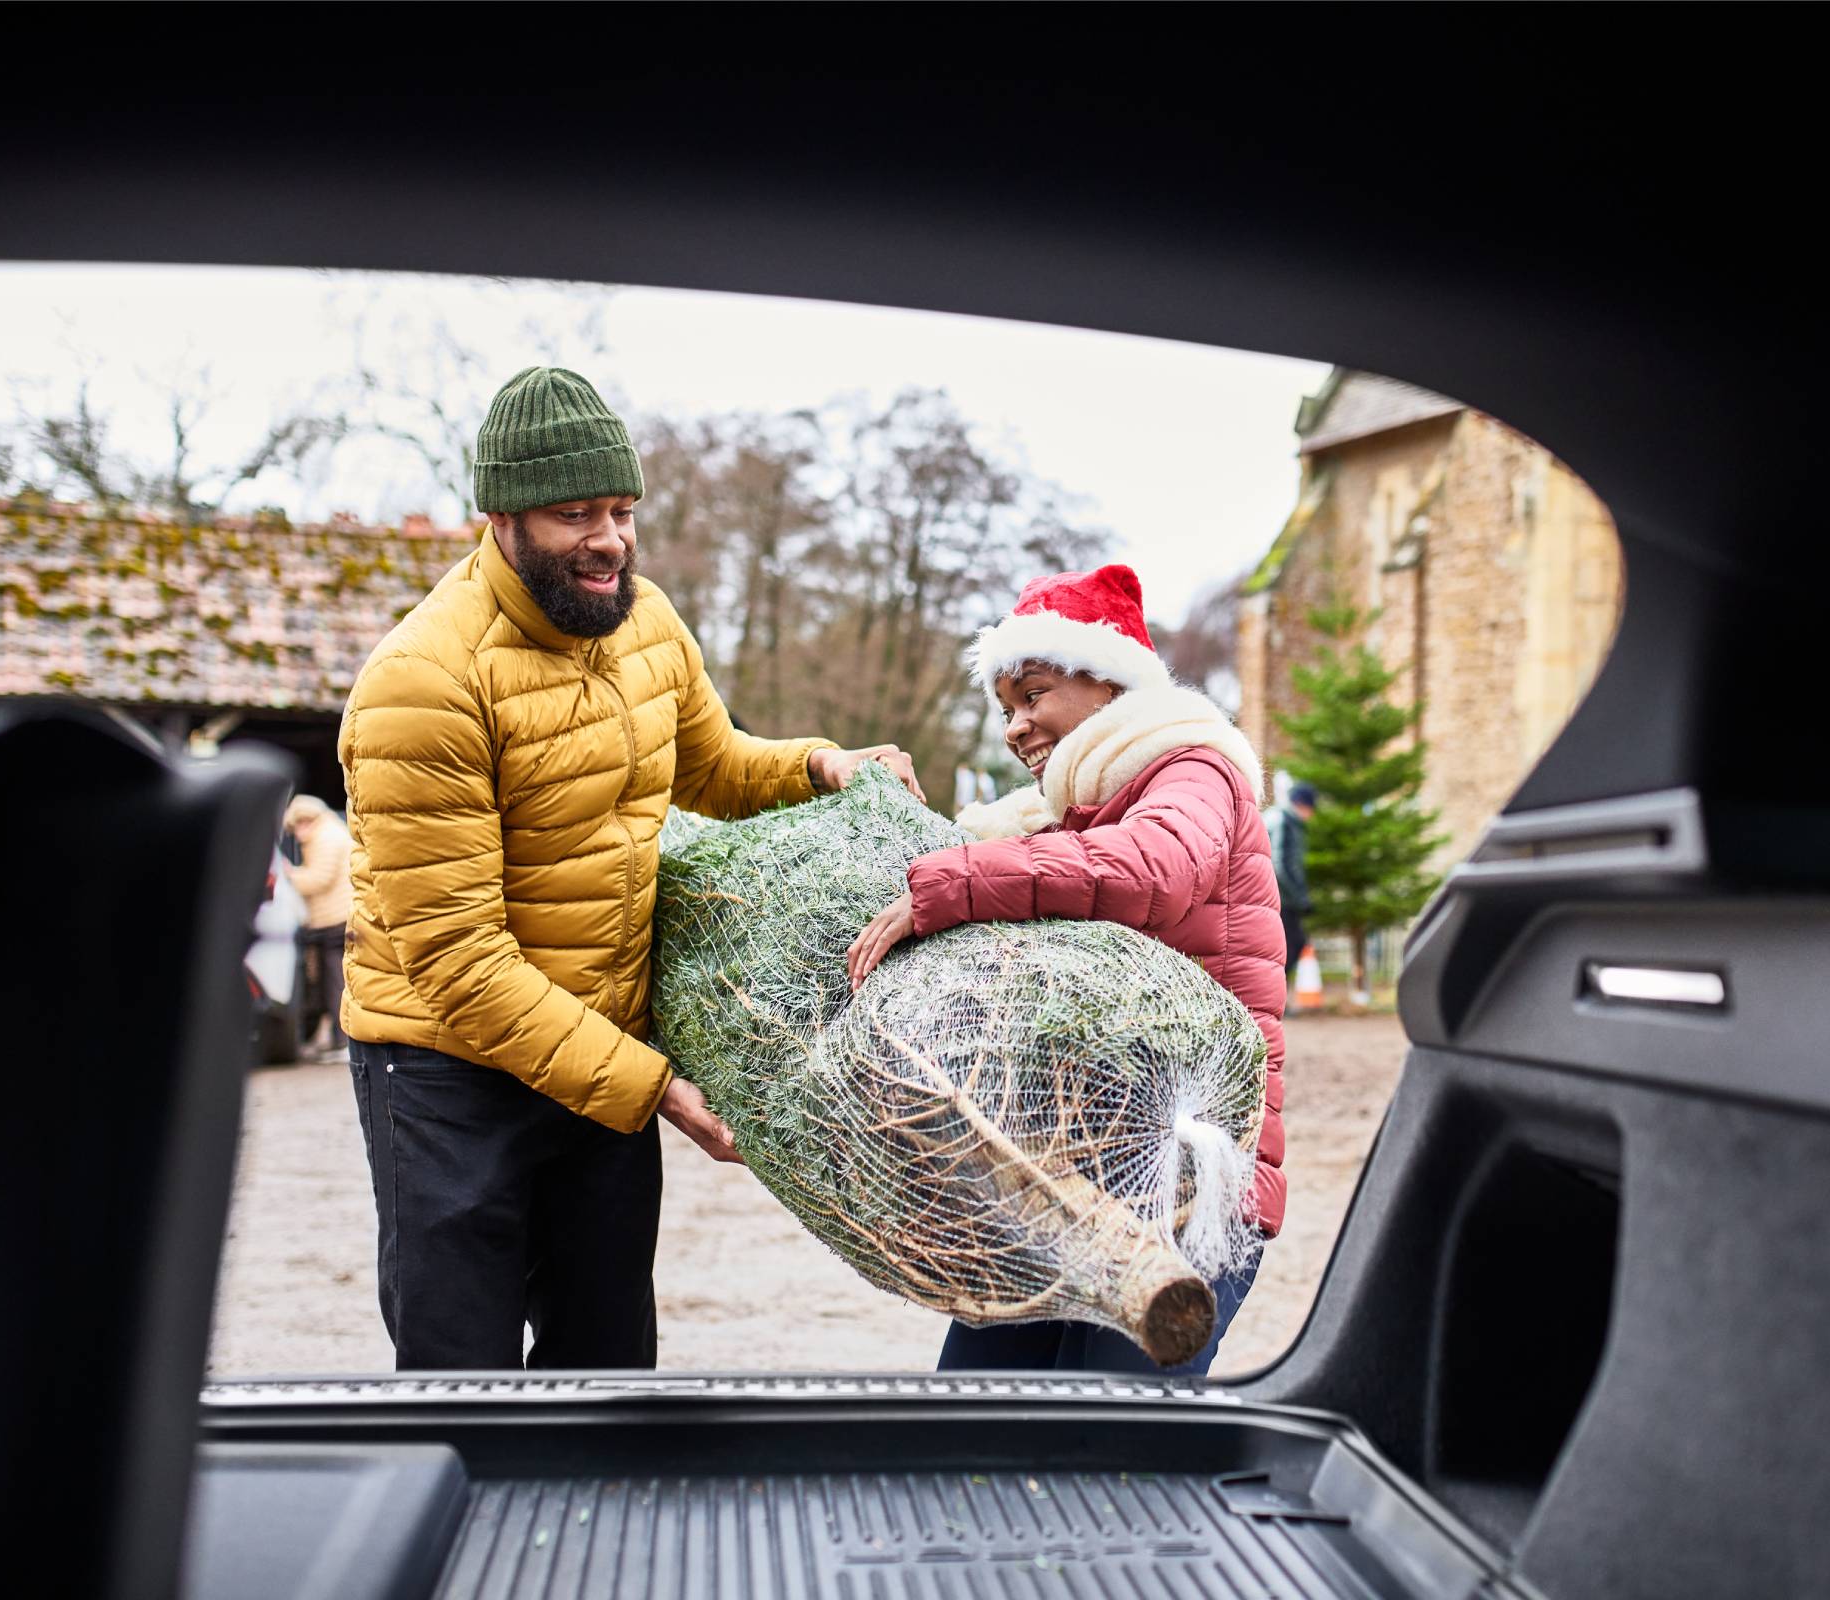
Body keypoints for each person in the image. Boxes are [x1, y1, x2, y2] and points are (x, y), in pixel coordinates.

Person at [337, 366, 922, 1371]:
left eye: (620, 509)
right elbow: (461, 964)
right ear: (499, 517)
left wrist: (822, 763)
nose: (608, 539)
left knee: (605, 1363)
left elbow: (716, 767)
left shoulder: (645, 622)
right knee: (459, 1372)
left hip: (599, 1050)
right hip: (447, 1067)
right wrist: (655, 1090)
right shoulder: (421, 683)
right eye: (574, 514)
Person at [845, 563, 1285, 1376]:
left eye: (1035, 694)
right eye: (1006, 708)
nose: (1016, 727)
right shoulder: (1068, 817)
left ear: (1111, 683)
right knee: (977, 1425)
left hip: (1181, 1189)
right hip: (1069, 1184)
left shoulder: (1191, 772)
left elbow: (1155, 869)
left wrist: (958, 882)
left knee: (1107, 1457)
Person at [283, 794, 352, 1061]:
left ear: (307, 820)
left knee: (335, 980)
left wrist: (291, 875)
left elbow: (319, 879)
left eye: (298, 827)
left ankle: (342, 1039)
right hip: (331, 918)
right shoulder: (329, 832)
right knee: (331, 978)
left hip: (335, 920)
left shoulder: (326, 837)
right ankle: (337, 1039)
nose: (297, 834)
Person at [1267, 782, 1317, 980]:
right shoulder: (1284, 821)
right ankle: (1272, 997)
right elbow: (1281, 864)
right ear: (1303, 805)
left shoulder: (1283, 819)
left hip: (1282, 897)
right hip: (1281, 898)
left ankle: (1274, 997)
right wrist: (1300, 898)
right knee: (1290, 945)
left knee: (1290, 945)